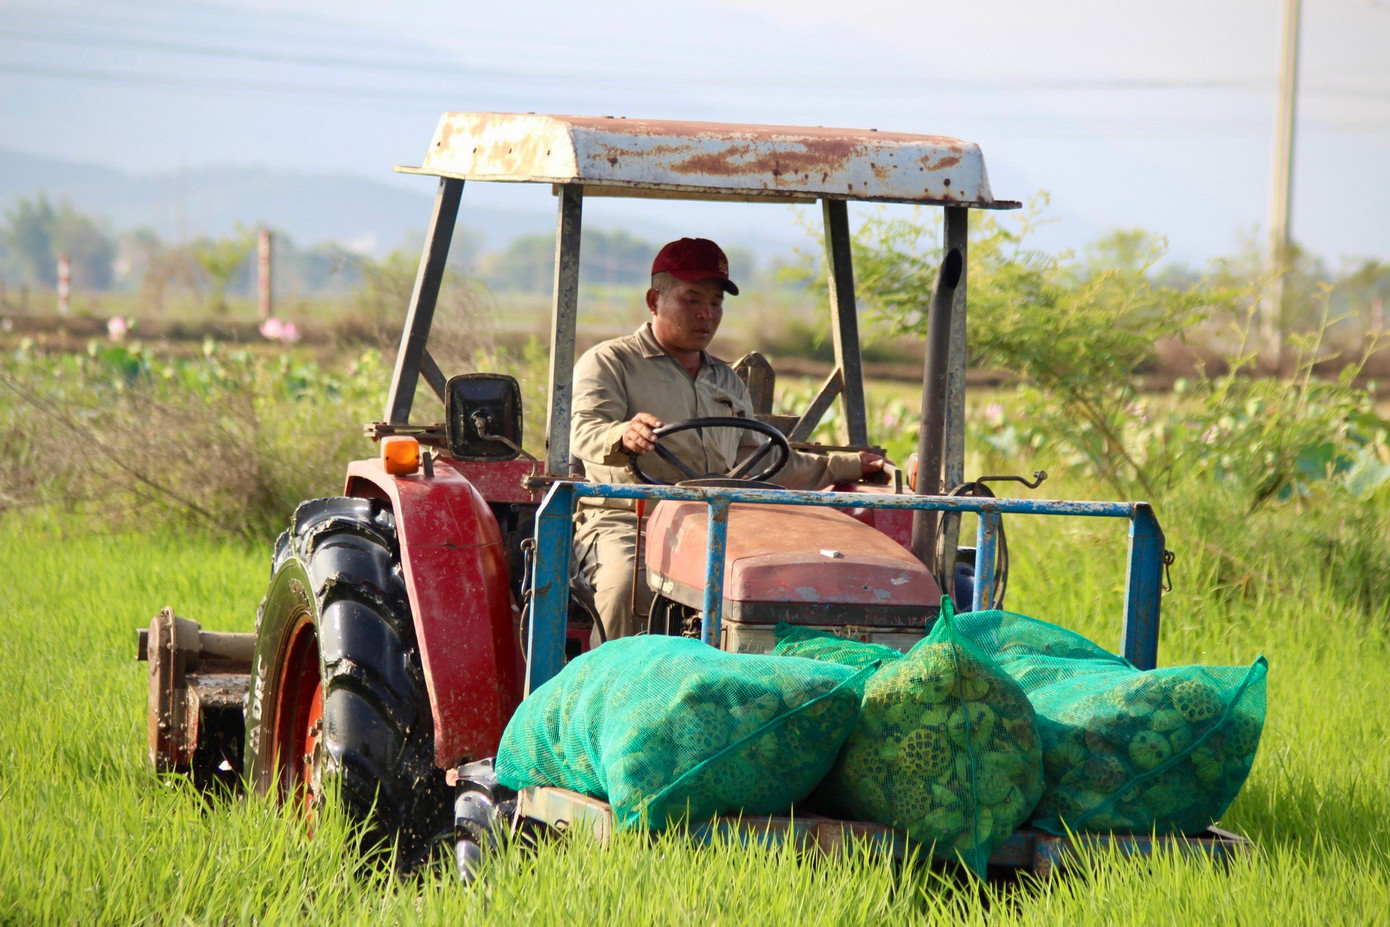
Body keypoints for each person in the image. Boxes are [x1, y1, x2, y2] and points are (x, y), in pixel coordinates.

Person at [569, 237, 886, 641]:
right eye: (692, 300)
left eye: (716, 303)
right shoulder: (611, 362)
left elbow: (764, 464)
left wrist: (847, 465)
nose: (707, 314)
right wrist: (624, 434)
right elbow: (585, 431)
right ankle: (615, 694)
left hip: (718, 523)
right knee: (627, 585)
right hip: (631, 522)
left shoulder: (727, 381)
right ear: (654, 300)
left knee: (785, 584)